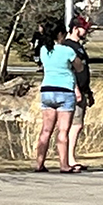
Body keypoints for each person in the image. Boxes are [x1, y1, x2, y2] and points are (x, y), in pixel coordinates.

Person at [32, 18, 81, 173]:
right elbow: (79, 67)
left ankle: (39, 163)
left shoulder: (43, 50)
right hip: (64, 90)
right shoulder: (67, 50)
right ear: (60, 34)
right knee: (63, 130)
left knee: (46, 130)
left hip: (47, 89)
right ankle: (64, 164)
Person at [63, 15, 95, 170]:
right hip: (73, 92)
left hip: (83, 90)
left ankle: (70, 158)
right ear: (75, 29)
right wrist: (75, 89)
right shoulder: (68, 47)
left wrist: (88, 91)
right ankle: (69, 159)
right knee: (74, 125)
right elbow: (69, 71)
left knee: (78, 125)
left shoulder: (79, 46)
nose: (86, 31)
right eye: (84, 29)